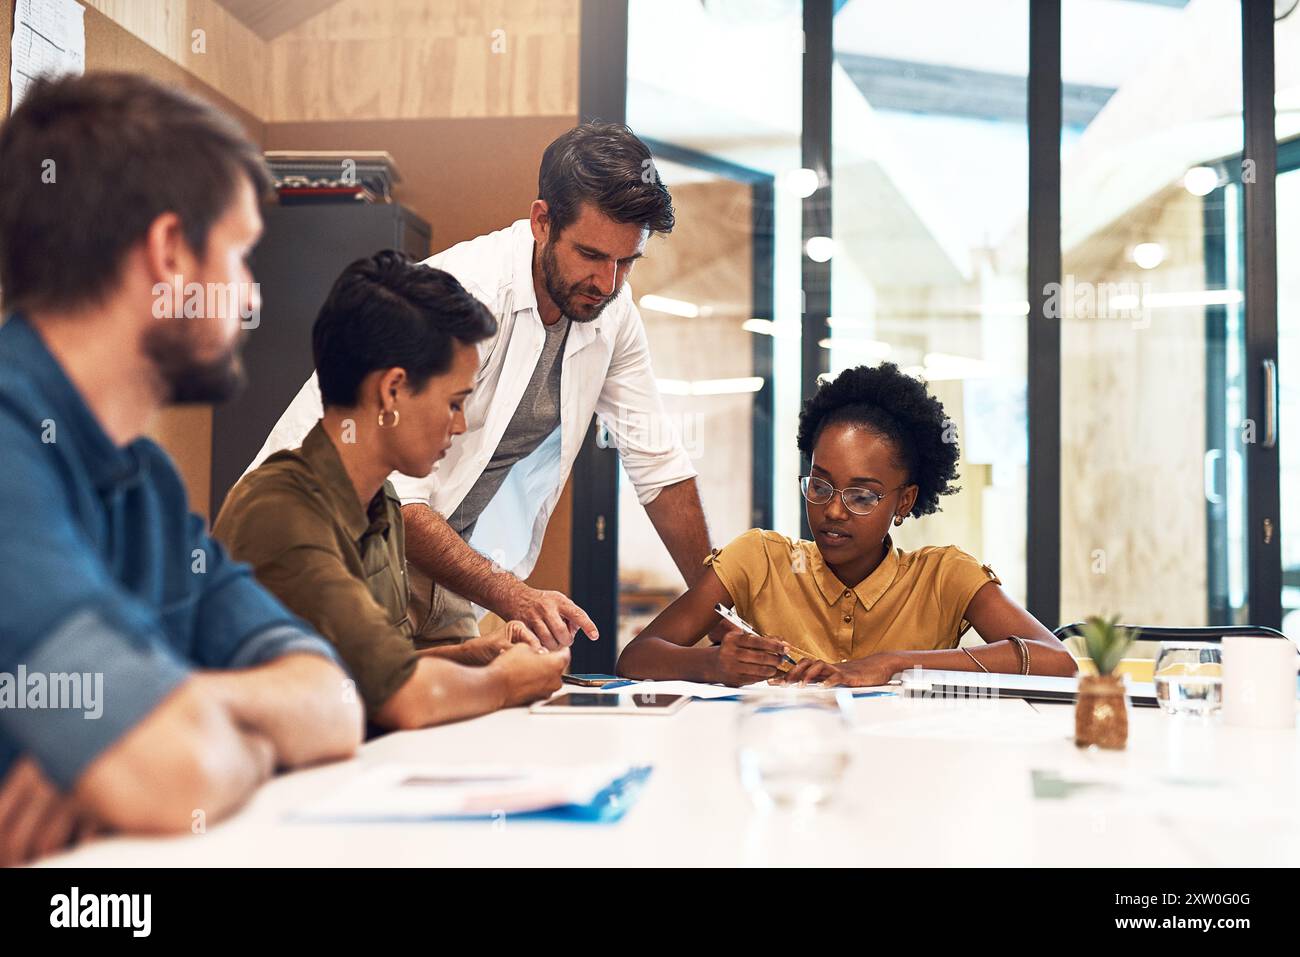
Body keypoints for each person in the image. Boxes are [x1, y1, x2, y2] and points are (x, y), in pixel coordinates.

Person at [0, 73, 363, 866]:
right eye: (238, 254)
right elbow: (177, 773)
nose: (251, 297)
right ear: (169, 254)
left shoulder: (148, 484)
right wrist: (188, 738)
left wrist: (189, 704)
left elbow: (333, 702)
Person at [250, 123, 713, 650]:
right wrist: (513, 595)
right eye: (590, 254)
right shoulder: (464, 295)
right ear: (543, 222)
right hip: (332, 542)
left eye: (626, 261)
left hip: (435, 551)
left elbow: (659, 464)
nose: (607, 284)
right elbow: (396, 492)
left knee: (486, 704)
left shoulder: (611, 311)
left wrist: (718, 610)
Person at [214, 252, 568, 729]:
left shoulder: (382, 504)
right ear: (393, 391)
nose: (460, 425)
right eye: (454, 403)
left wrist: (475, 655)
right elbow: (400, 698)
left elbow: (370, 673)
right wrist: (507, 681)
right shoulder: (279, 511)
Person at [617, 363, 1078, 687]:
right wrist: (714, 663)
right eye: (819, 487)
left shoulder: (943, 576)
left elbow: (1058, 660)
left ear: (905, 501)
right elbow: (636, 658)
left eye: (861, 496)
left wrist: (895, 663)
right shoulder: (759, 560)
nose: (833, 511)